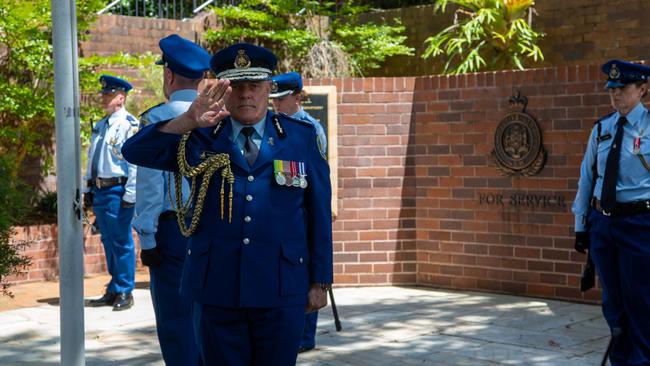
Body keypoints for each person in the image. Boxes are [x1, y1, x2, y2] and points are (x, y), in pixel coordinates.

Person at [122, 43, 333, 366]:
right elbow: (136, 152)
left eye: (254, 86)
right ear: (223, 90)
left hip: (280, 286)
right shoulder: (201, 136)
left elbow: (318, 212)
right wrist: (189, 119)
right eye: (237, 86)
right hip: (216, 286)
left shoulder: (299, 138)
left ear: (268, 89)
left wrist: (320, 282)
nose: (246, 95)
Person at [132, 34, 209, 365]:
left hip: (173, 231)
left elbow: (150, 186)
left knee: (176, 322)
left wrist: (146, 237)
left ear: (168, 75)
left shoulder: (158, 119)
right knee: (210, 318)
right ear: (202, 78)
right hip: (213, 229)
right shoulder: (218, 118)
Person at [573, 59, 650, 366]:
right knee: (613, 303)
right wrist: (581, 226)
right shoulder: (602, 129)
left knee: (641, 300)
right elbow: (587, 179)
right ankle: (620, 359)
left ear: (642, 89)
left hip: (639, 224)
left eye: (623, 88)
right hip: (603, 224)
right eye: (611, 89)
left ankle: (642, 360)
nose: (615, 95)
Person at [270, 71, 327, 353]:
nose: (277, 106)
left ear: (297, 97)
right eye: (274, 100)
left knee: (307, 274)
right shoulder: (270, 126)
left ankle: (305, 335)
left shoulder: (310, 129)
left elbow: (315, 179)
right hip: (282, 212)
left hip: (303, 212)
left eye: (282, 99)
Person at [84, 74, 138, 311]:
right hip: (100, 190)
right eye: (103, 94)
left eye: (108, 94)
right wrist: (87, 187)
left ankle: (126, 289)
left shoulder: (129, 124)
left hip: (118, 190)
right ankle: (114, 287)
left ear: (121, 97)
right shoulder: (100, 125)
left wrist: (131, 193)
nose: (103, 98)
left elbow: (134, 162)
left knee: (121, 241)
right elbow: (90, 159)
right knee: (108, 241)